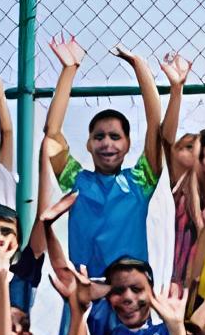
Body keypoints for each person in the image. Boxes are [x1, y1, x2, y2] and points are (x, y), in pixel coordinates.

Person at [42, 37, 173, 278]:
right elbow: (52, 134)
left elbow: (155, 125)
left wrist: (139, 67)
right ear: (89, 144)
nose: (107, 143)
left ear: (127, 144)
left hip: (130, 290)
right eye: (99, 137)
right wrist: (69, 69)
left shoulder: (140, 182)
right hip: (86, 289)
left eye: (115, 137)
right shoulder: (76, 181)